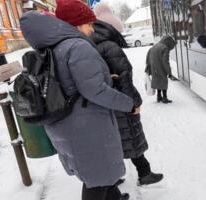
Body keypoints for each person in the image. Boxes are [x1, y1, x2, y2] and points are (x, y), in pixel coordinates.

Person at [20, 1, 138, 199]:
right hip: (86, 125)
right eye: (89, 24)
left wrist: (107, 78)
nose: (92, 29)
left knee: (98, 173)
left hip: (69, 123)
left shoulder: (54, 46)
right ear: (76, 24)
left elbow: (71, 81)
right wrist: (129, 104)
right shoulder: (77, 46)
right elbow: (95, 91)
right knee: (97, 179)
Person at [91, 3, 164, 186]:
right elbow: (124, 78)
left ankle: (114, 177)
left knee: (115, 140)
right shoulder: (110, 47)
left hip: (106, 102)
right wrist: (135, 102)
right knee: (131, 136)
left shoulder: (92, 44)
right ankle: (144, 173)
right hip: (121, 101)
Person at [146, 36, 177, 103]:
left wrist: (148, 67)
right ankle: (165, 98)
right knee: (163, 81)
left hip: (154, 67)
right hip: (160, 67)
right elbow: (165, 61)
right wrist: (169, 73)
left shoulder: (155, 46)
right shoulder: (165, 48)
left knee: (158, 81)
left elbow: (148, 56)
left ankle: (159, 96)